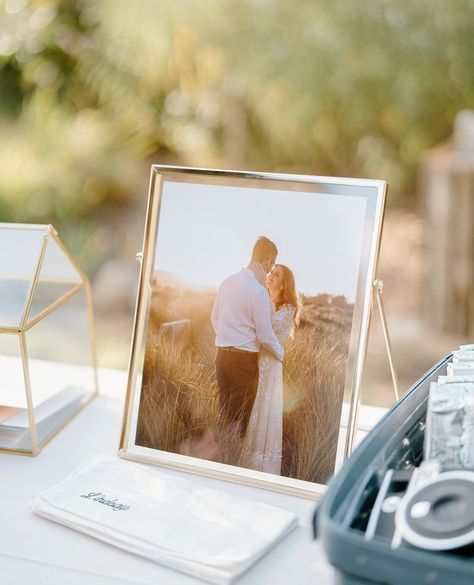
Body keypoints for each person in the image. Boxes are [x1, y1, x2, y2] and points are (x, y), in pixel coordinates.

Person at [211, 237, 284, 438]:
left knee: (226, 411)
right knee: (243, 415)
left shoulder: (226, 282)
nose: (271, 269)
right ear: (268, 261)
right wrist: (281, 352)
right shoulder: (258, 292)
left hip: (221, 357)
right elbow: (265, 334)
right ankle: (233, 458)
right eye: (272, 264)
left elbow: (215, 319)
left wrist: (229, 338)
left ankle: (224, 453)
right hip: (243, 361)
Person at [240, 264, 299, 475]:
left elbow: (268, 336)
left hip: (271, 364)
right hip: (255, 360)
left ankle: (262, 464)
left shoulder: (287, 309)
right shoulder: (262, 298)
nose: (271, 276)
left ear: (285, 284)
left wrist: (280, 354)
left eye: (277, 274)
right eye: (271, 271)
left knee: (264, 408)